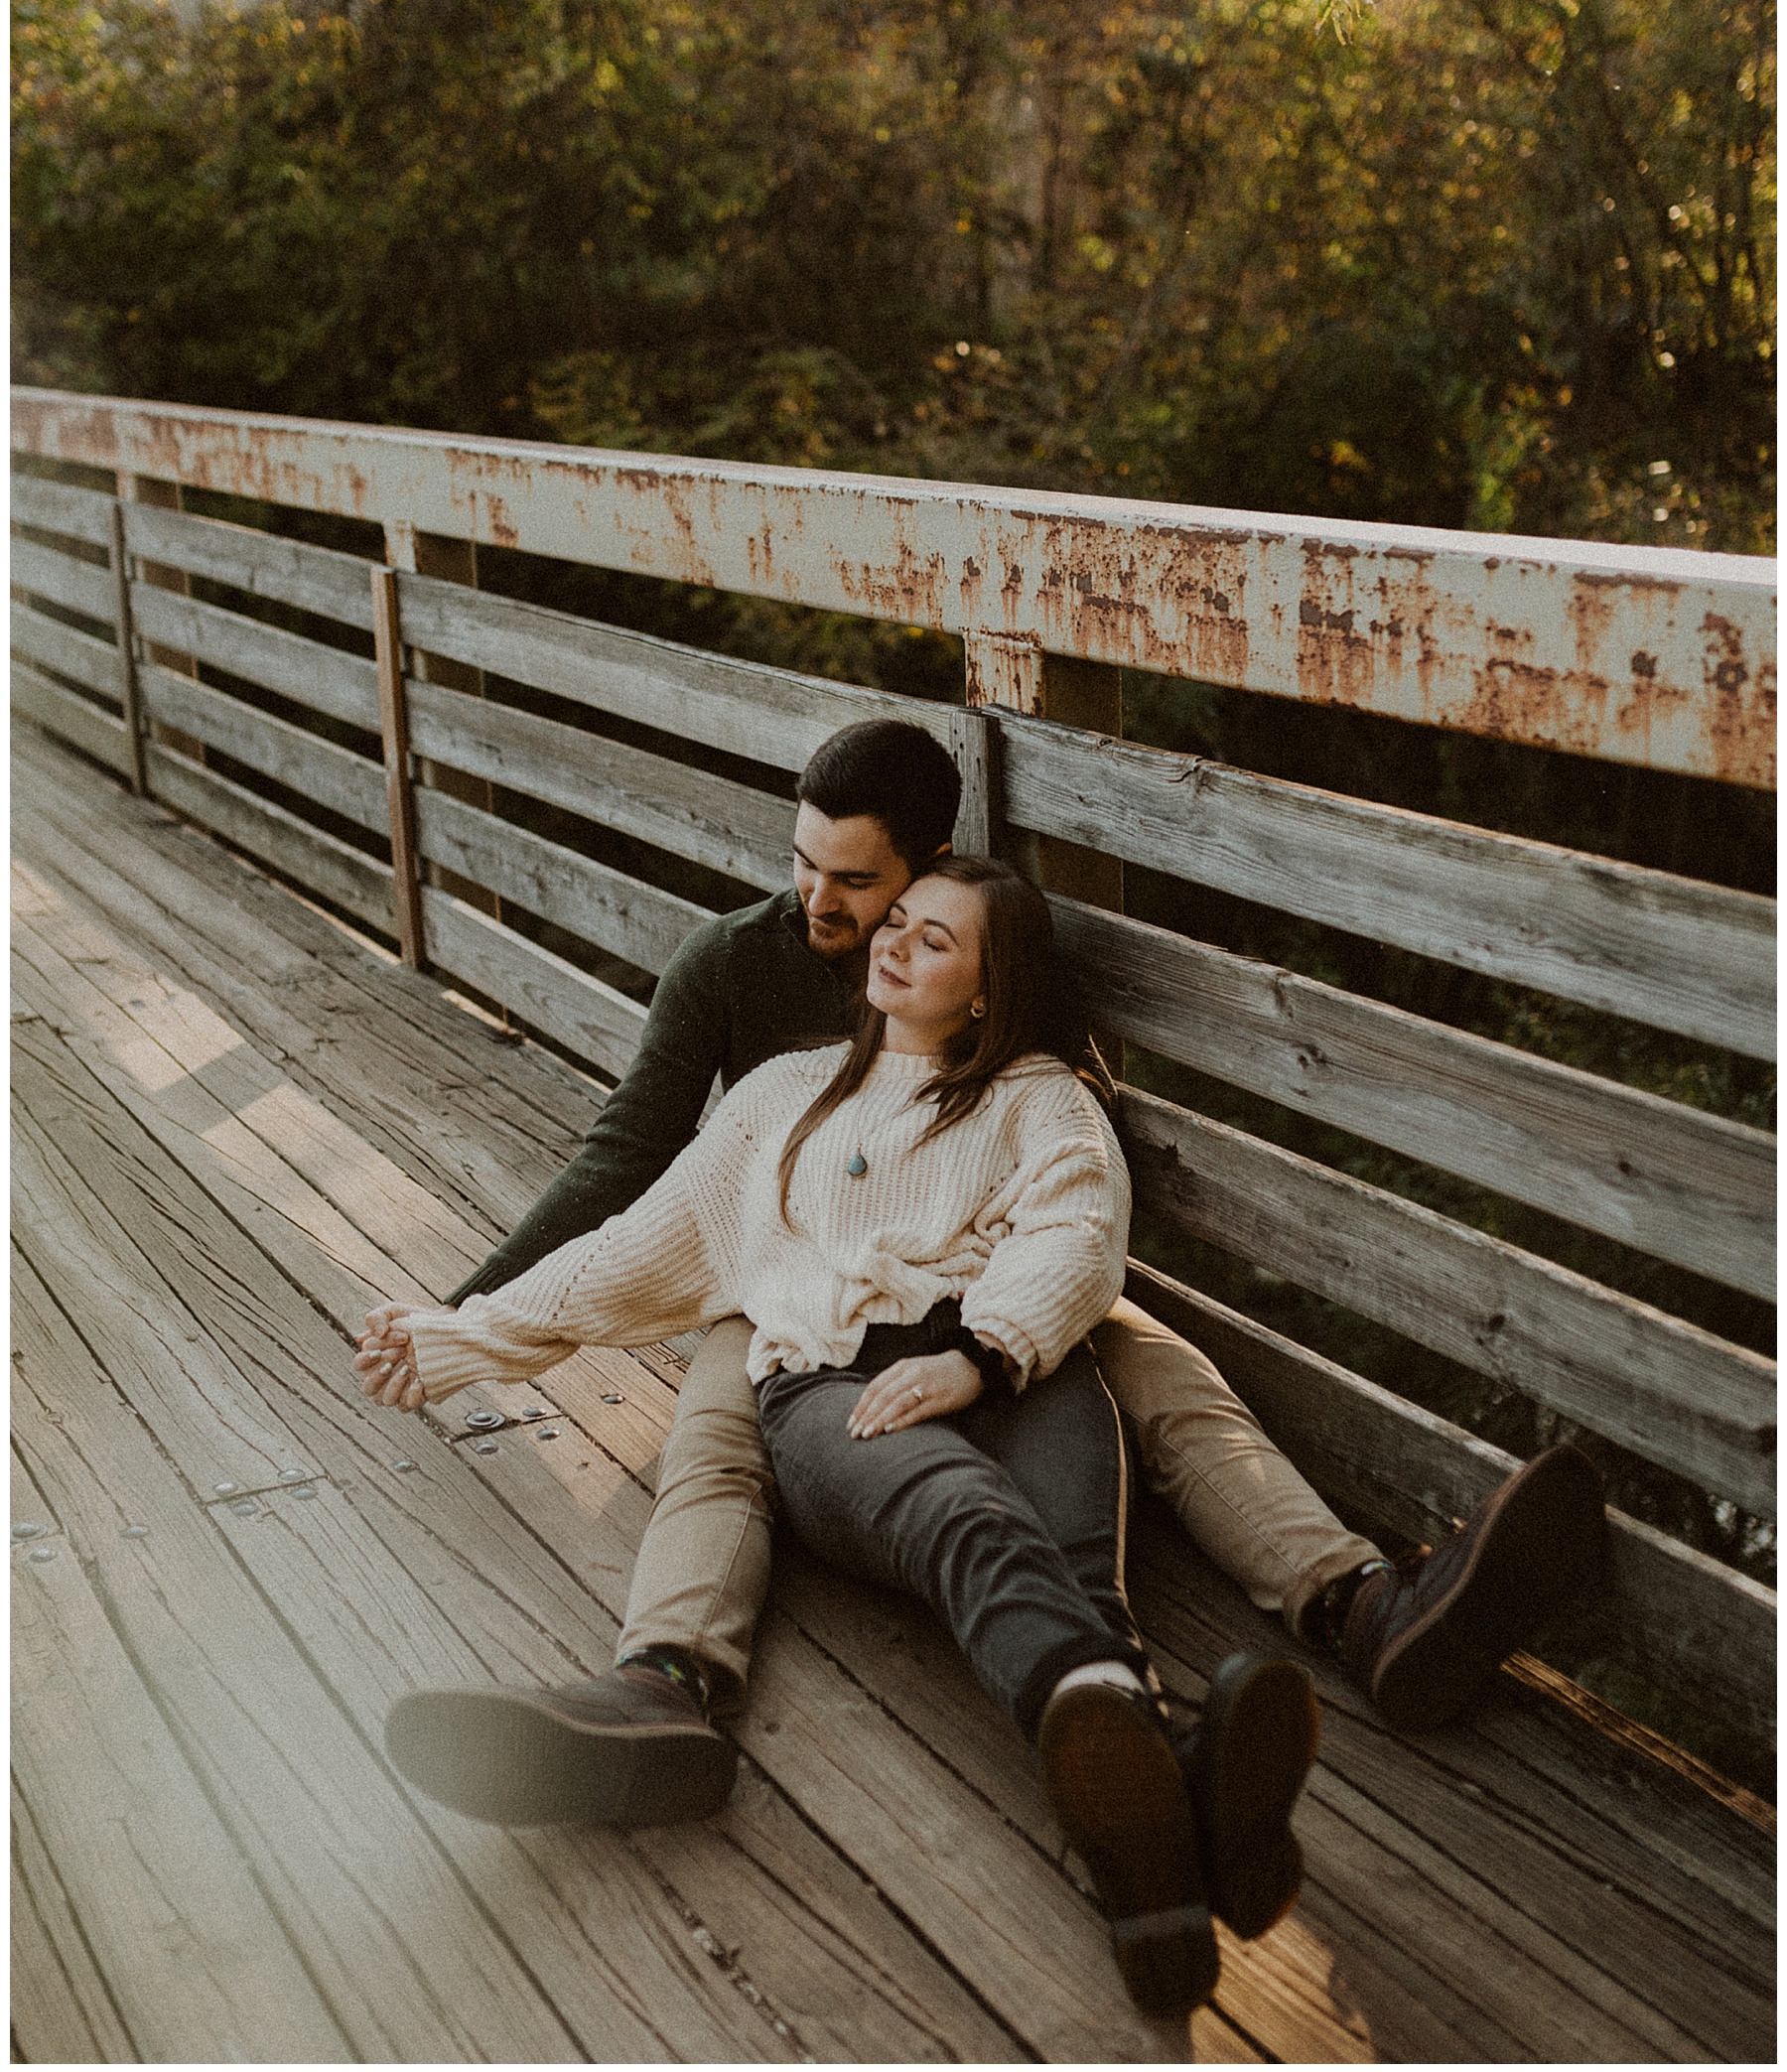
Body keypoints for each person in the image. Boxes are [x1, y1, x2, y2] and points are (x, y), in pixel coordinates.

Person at [369, 719, 1606, 1810]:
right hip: (786, 1277)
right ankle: (662, 1683)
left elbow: (1062, 1167)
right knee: (715, 1425)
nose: (822, 905)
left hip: (982, 1277)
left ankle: (1365, 1608)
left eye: (860, 883)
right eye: (803, 865)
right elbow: (628, 1172)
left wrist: (996, 1330)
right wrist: (462, 1317)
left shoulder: (988, 967)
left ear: (933, 871)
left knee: (1165, 1374)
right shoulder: (736, 974)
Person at [358, 857, 1322, 2019]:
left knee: (1079, 1563)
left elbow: (1076, 1231)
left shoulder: (1041, 1097)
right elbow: (635, 1249)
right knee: (968, 1520)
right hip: (828, 1380)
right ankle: (1187, 1799)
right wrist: (462, 1334)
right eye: (896, 924)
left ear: (986, 989)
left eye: (934, 940)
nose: (894, 945)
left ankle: (1153, 1886)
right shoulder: (782, 1096)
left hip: (1002, 1364)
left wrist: (977, 1356)